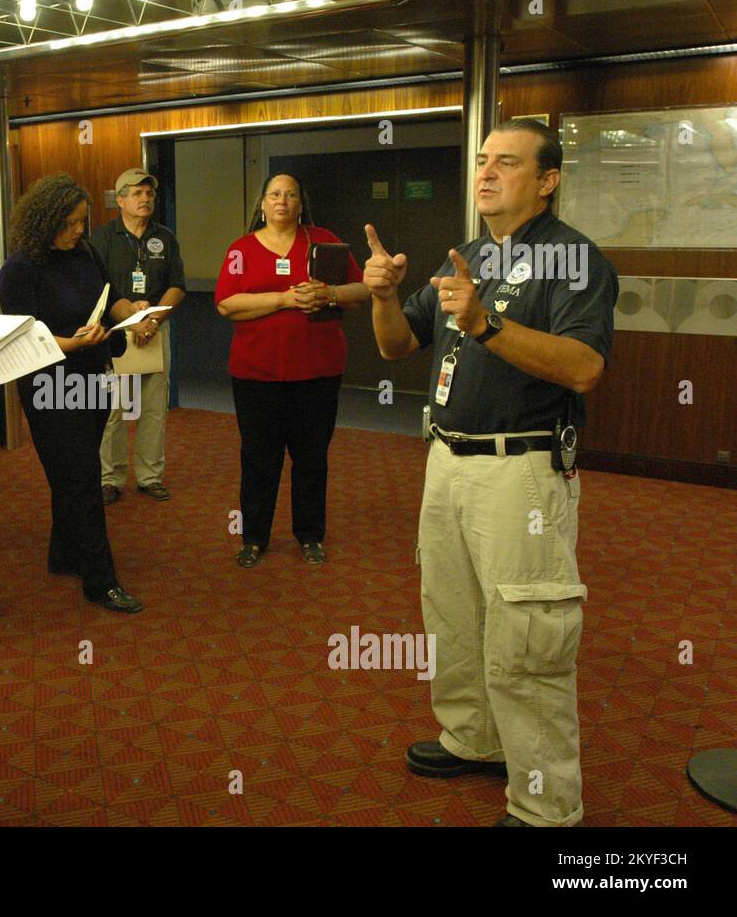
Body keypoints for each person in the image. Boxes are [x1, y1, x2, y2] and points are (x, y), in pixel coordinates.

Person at [362, 118, 618, 827]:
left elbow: (585, 368)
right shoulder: (467, 254)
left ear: (547, 180)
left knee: (527, 636)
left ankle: (546, 804)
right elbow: (397, 347)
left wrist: (485, 326)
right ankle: (474, 738)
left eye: (507, 162)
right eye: (482, 160)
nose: (486, 172)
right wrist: (383, 295)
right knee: (453, 613)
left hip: (522, 472)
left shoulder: (575, 259)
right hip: (446, 461)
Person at [0, 175, 142, 613]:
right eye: (72, 223)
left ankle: (63, 554)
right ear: (47, 221)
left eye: (84, 221)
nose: (81, 230)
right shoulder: (19, 270)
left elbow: (109, 295)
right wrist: (74, 342)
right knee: (81, 481)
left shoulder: (85, 252)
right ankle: (101, 580)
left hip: (93, 373)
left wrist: (135, 316)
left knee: (70, 475)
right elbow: (24, 335)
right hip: (50, 384)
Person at [214, 173, 368, 568]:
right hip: (256, 375)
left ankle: (310, 535)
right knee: (258, 459)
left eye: (291, 195)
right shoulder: (241, 249)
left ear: (301, 204)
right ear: (262, 204)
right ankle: (254, 538)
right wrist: (285, 299)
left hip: (317, 372)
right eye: (274, 194)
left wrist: (329, 293)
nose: (282, 201)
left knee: (312, 458)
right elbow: (227, 304)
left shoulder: (325, 240)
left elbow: (361, 291)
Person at [90, 167, 186, 505]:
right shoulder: (101, 239)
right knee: (112, 409)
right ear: (120, 201)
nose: (145, 198)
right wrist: (131, 317)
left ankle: (149, 476)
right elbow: (97, 288)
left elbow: (177, 285)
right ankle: (110, 478)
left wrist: (154, 317)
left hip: (156, 328)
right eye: (137, 193)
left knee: (154, 407)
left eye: (149, 193)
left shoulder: (165, 237)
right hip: (114, 330)